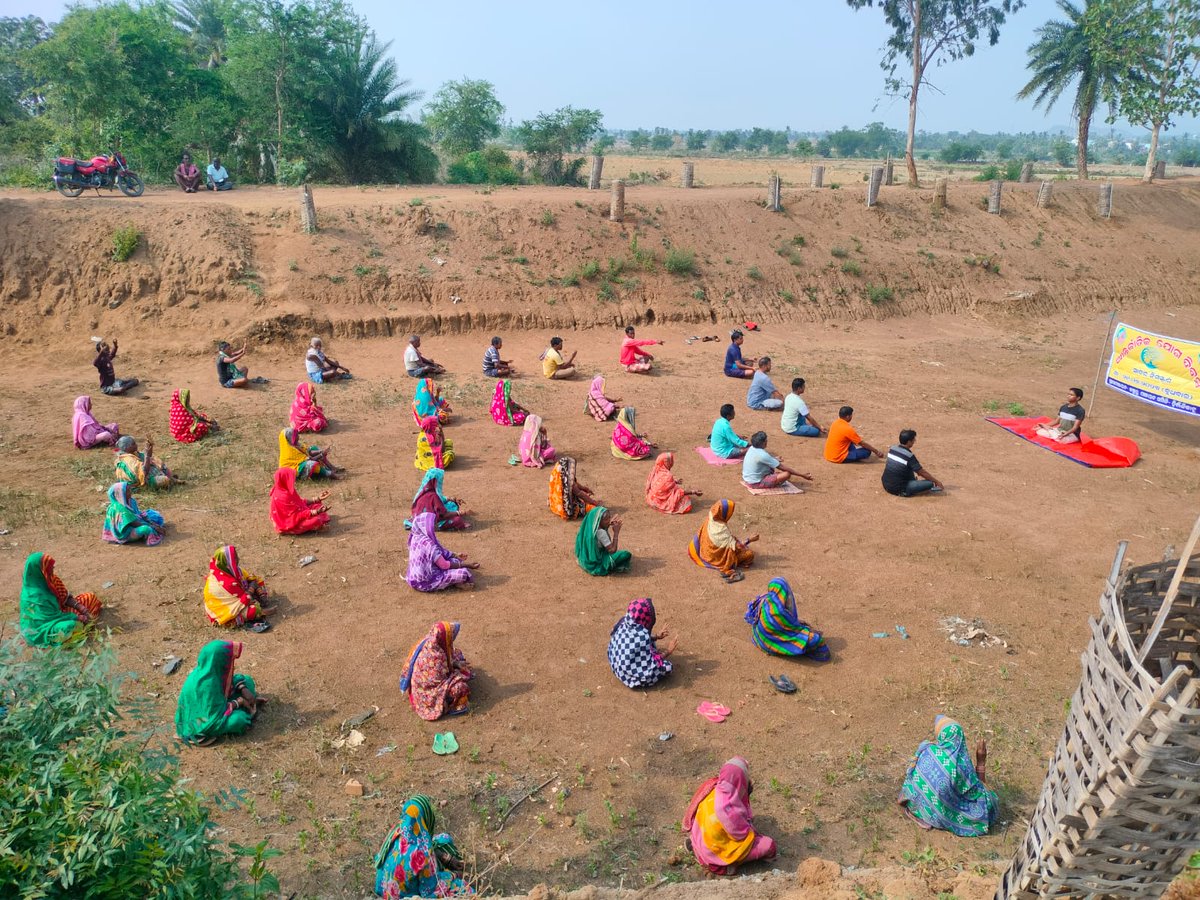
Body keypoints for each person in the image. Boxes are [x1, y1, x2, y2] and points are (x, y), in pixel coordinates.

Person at [898, 714, 997, 837]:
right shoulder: (962, 765)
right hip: (943, 815)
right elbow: (980, 792)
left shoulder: (926, 749)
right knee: (990, 801)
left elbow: (911, 774)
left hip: (917, 806)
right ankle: (950, 819)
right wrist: (981, 761)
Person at [684, 758, 778, 876]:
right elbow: (742, 835)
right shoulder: (729, 810)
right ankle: (725, 864)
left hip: (701, 838)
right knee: (768, 846)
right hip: (715, 849)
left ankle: (697, 848)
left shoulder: (712, 787)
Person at [373, 796, 471, 898]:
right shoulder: (424, 853)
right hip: (405, 896)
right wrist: (454, 875)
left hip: (383, 888)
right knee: (463, 888)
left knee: (443, 838)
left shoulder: (396, 831)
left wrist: (443, 857)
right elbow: (429, 891)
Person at [175, 641, 266, 747]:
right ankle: (248, 710)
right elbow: (214, 715)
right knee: (238, 720)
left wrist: (243, 688)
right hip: (201, 721)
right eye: (227, 660)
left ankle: (247, 704)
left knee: (247, 681)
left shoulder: (209, 670)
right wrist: (239, 702)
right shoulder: (208, 684)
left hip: (216, 704)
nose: (229, 663)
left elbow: (229, 681)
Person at [19, 552, 101, 647]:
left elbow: (64, 597)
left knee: (90, 597)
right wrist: (76, 617)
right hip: (43, 628)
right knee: (70, 626)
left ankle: (80, 627)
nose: (53, 569)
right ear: (40, 570)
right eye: (49, 567)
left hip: (60, 613)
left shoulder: (51, 579)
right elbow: (49, 619)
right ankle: (75, 631)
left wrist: (81, 608)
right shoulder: (34, 595)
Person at [400, 622, 473, 720]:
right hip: (429, 696)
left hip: (418, 690)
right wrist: (459, 674)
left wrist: (455, 664)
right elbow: (443, 679)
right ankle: (447, 704)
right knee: (460, 687)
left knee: (456, 653)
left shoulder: (427, 642)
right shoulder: (438, 656)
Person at [743, 578, 830, 660]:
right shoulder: (778, 613)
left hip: (760, 636)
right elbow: (790, 628)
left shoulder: (766, 600)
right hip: (772, 639)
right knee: (815, 639)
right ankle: (784, 647)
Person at [406, 499, 477, 592]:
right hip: (426, 581)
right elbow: (444, 565)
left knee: (454, 560)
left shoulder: (416, 537)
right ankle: (456, 582)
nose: (435, 525)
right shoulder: (429, 544)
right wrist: (467, 565)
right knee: (463, 573)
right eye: (433, 523)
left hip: (414, 578)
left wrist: (454, 554)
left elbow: (439, 552)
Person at [608, 598, 677, 688]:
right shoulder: (642, 637)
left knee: (649, 646)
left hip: (617, 665)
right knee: (667, 667)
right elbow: (652, 663)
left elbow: (633, 641)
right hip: (630, 674)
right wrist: (668, 651)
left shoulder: (624, 622)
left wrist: (656, 636)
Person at [688, 499, 757, 584]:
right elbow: (737, 546)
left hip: (705, 550)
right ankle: (731, 567)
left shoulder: (712, 514)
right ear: (724, 513)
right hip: (716, 558)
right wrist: (750, 539)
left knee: (733, 540)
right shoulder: (722, 529)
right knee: (749, 554)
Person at [203, 545, 274, 627]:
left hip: (238, 597)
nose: (238, 559)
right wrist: (252, 587)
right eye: (235, 558)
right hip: (223, 610)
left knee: (256, 581)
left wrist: (253, 584)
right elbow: (243, 599)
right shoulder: (226, 583)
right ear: (227, 562)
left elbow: (247, 578)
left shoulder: (232, 570)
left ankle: (263, 600)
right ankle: (262, 611)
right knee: (253, 610)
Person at [269, 467, 331, 534]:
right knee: (316, 520)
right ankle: (288, 531)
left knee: (317, 506)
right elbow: (296, 516)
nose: (293, 480)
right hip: (289, 522)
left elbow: (299, 502)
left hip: (293, 515)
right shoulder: (284, 496)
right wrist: (315, 512)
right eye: (290, 478)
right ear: (285, 479)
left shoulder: (282, 489)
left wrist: (317, 499)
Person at [883, 430, 944, 497]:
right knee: (930, 483)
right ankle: (904, 491)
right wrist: (936, 482)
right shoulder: (909, 456)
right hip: (899, 489)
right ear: (909, 442)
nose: (914, 441)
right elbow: (921, 472)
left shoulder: (892, 448)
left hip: (886, 484)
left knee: (908, 467)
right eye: (913, 439)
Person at [742, 431, 813, 490]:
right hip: (756, 483)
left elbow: (763, 459)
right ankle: (772, 484)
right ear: (764, 442)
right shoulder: (763, 455)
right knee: (786, 474)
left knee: (774, 469)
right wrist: (802, 475)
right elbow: (782, 467)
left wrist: (774, 459)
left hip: (748, 479)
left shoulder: (752, 448)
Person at [575, 506, 632, 576]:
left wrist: (608, 523)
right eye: (606, 519)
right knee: (625, 554)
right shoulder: (601, 533)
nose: (609, 520)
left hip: (586, 559)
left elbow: (601, 528)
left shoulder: (589, 529)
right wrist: (616, 533)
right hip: (597, 562)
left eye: (609, 517)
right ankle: (605, 567)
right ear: (598, 520)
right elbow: (612, 550)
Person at [114, 435, 179, 490]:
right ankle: (171, 480)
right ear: (127, 448)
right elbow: (144, 472)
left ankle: (171, 479)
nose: (136, 445)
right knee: (164, 480)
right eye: (133, 444)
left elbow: (145, 458)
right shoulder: (128, 460)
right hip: (139, 484)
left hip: (143, 476)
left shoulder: (132, 454)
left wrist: (149, 448)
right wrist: (147, 456)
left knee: (157, 462)